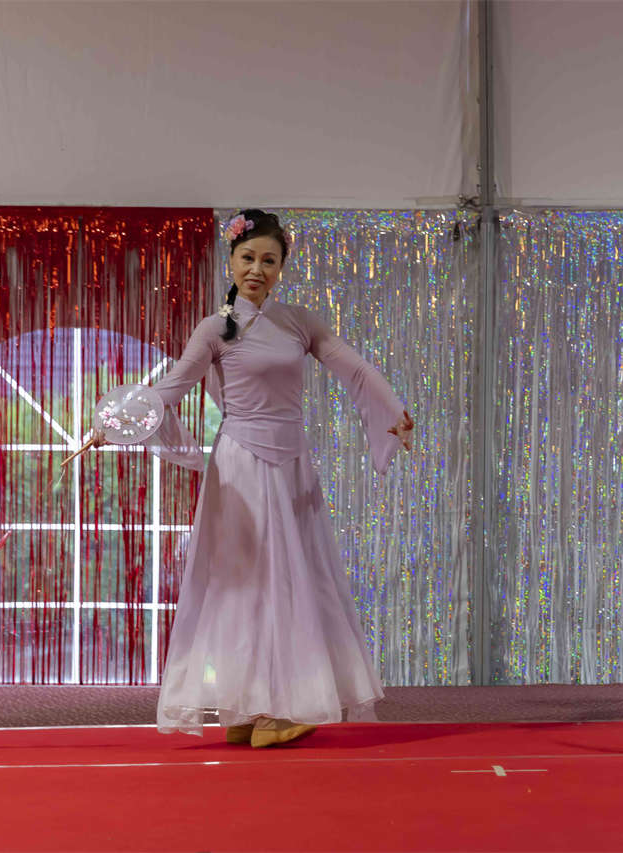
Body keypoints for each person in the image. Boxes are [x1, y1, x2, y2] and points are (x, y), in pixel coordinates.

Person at [94, 209, 414, 747]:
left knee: (291, 580)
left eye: (269, 260)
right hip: (241, 464)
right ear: (232, 262)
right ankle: (250, 706)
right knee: (245, 583)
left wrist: (394, 413)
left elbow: (355, 369)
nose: (257, 269)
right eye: (248, 258)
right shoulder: (215, 329)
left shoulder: (299, 322)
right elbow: (172, 387)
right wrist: (116, 424)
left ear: (281, 267)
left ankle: (267, 706)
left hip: (291, 465)